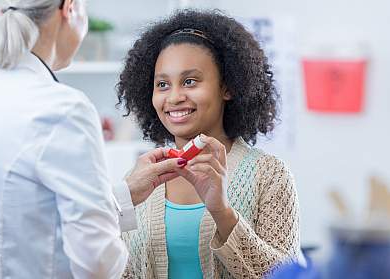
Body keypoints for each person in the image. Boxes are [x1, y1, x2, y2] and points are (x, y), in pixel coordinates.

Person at [0, 1, 185, 278]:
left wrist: (123, 194)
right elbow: (97, 262)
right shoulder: (63, 109)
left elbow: (25, 208)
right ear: (70, 8)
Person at [116, 9, 301, 278]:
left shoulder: (270, 175)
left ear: (227, 87)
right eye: (163, 84)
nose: (175, 96)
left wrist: (222, 212)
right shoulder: (139, 179)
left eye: (190, 81)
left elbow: (288, 275)